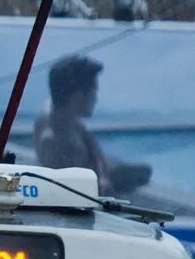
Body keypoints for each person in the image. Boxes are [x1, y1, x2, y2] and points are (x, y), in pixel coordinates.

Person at [29, 54, 154, 199]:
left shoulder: (61, 112)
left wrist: (103, 177)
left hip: (94, 174)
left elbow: (90, 141)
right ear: (77, 97)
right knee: (140, 174)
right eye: (93, 92)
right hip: (83, 192)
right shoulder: (52, 141)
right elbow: (68, 194)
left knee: (143, 171)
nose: (95, 99)